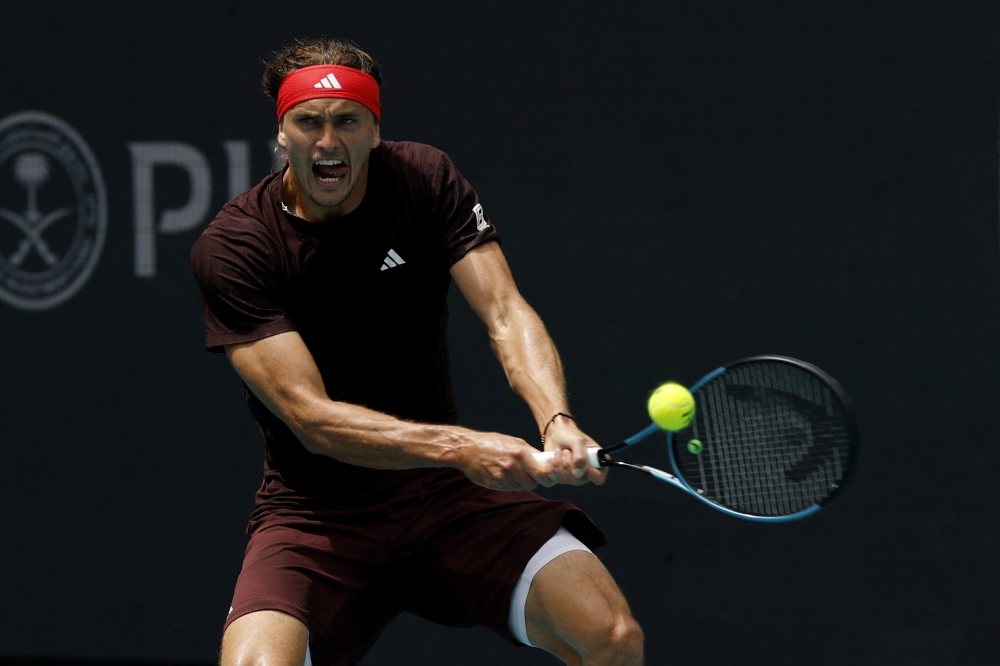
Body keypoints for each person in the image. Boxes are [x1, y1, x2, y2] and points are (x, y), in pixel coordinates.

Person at [191, 37, 644, 666]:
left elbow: (505, 313)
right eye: (309, 122)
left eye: (347, 120)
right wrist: (461, 446)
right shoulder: (238, 245)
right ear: (283, 134)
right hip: (317, 514)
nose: (328, 142)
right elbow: (311, 419)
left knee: (612, 637)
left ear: (375, 130)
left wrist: (555, 418)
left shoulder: (424, 179)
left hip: (443, 499)